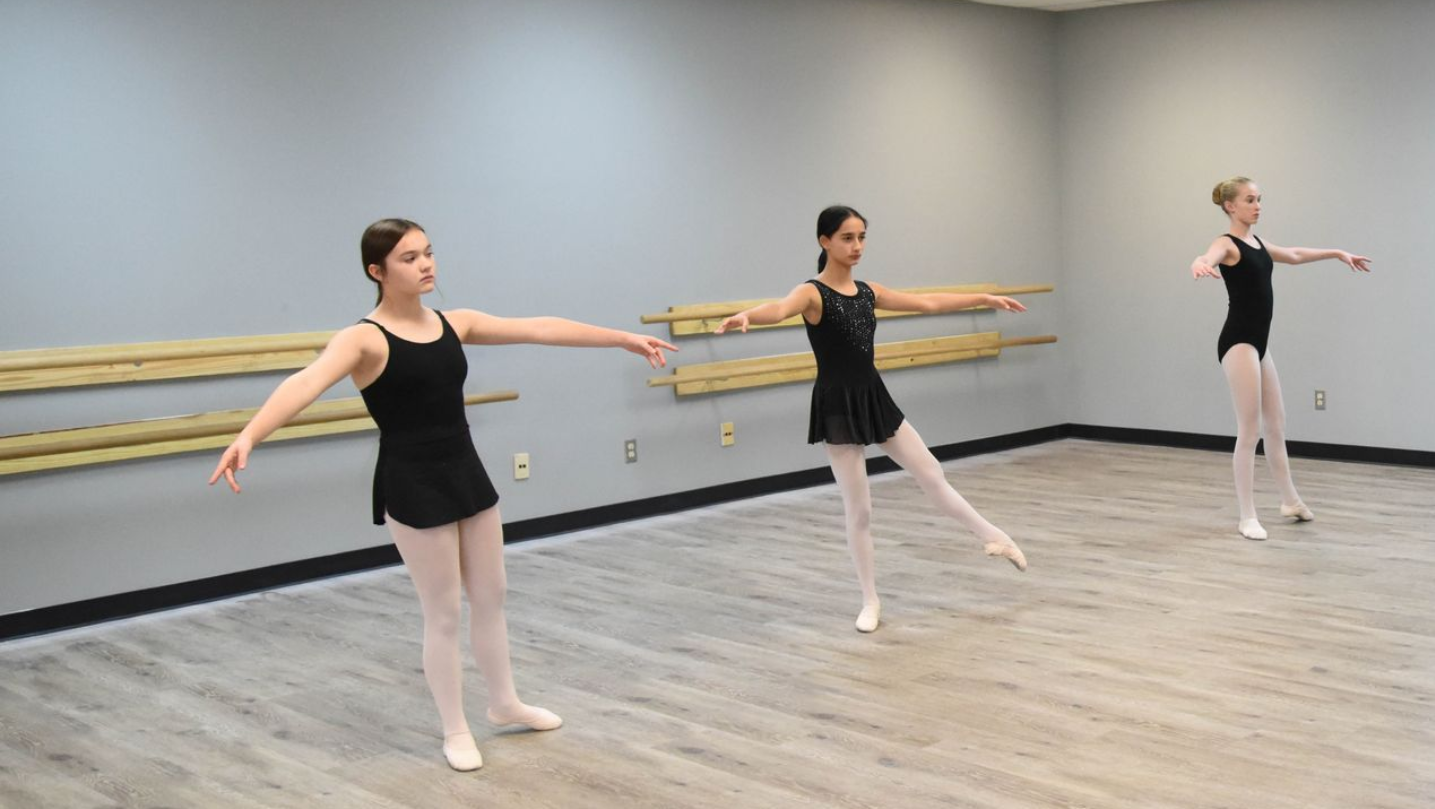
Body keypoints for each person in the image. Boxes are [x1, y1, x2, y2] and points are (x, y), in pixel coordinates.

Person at [209, 218, 676, 771]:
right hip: (412, 478)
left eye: (428, 253)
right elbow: (304, 383)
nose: (426, 264)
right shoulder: (363, 338)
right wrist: (250, 435)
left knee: (492, 595)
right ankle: (455, 729)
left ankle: (504, 703)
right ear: (376, 271)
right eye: (409, 258)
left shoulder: (455, 322)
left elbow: (539, 327)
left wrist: (621, 337)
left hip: (464, 468)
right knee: (443, 611)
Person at [716, 205, 1029, 634]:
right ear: (824, 241)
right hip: (837, 406)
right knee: (859, 509)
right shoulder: (812, 294)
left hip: (874, 396)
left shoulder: (869, 292)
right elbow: (780, 307)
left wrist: (983, 298)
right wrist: (749, 315)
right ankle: (870, 599)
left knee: (932, 474)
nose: (857, 246)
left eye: (862, 236)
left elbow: (928, 302)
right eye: (847, 237)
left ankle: (994, 536)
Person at [1190, 178, 1371, 540]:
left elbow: (1294, 254)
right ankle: (1247, 516)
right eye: (1250, 200)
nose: (1257, 206)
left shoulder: (1256, 243)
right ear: (1230, 206)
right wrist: (1199, 262)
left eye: (1259, 200)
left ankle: (1289, 500)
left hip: (1260, 343)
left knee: (1277, 424)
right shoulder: (1226, 244)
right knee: (1250, 430)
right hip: (1238, 342)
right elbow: (1207, 256)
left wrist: (1337, 253)